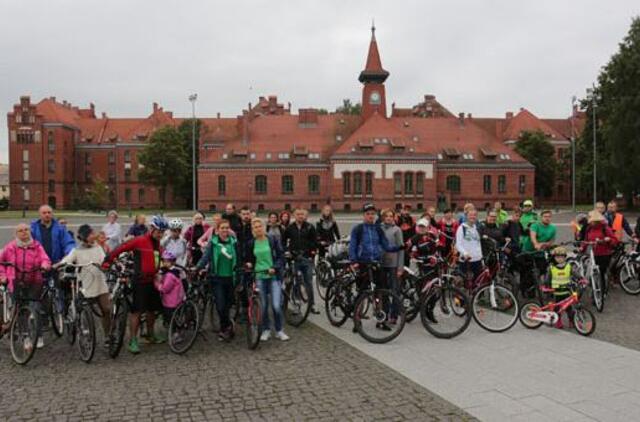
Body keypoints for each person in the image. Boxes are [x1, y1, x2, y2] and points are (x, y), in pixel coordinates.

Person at [103, 215, 168, 354]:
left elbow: (164, 257)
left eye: (163, 232)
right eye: (158, 231)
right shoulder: (140, 241)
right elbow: (122, 248)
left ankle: (150, 335)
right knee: (137, 312)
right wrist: (108, 260)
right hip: (140, 281)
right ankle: (133, 340)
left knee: (152, 311)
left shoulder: (158, 244)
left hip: (153, 281)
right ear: (152, 229)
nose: (160, 234)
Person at [348, 203, 402, 331]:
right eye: (368, 214)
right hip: (362, 263)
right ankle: (357, 320)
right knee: (362, 292)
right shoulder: (358, 229)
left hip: (376, 263)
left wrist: (399, 247)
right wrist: (354, 261)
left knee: (380, 292)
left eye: (373, 214)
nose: (370, 216)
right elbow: (353, 246)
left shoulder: (378, 229)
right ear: (364, 215)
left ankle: (381, 320)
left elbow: (386, 246)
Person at [0, 224, 51, 350]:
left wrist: (44, 265)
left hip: (34, 281)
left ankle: (38, 335)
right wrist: (3, 276)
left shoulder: (37, 246)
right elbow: (1, 263)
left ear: (30, 232)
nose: (24, 232)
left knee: (35, 309)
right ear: (16, 234)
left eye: (26, 230)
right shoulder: (10, 247)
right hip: (16, 281)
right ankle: (26, 337)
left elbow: (45, 259)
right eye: (20, 231)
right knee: (21, 311)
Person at [58, 224, 111, 344]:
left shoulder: (98, 247)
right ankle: (82, 328)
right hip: (86, 284)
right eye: (91, 234)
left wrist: (106, 264)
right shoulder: (77, 251)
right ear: (85, 236)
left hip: (100, 282)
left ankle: (107, 335)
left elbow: (104, 260)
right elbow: (68, 260)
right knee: (83, 308)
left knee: (106, 309)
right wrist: (59, 265)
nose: (94, 235)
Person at [242, 218, 289, 342]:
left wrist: (275, 267)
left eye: (259, 226)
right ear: (253, 230)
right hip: (259, 276)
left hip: (273, 276)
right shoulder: (251, 243)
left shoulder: (272, 240)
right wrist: (249, 264)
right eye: (255, 227)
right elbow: (248, 259)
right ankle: (266, 329)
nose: (258, 229)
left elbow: (281, 256)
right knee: (263, 307)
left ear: (264, 228)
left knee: (276, 306)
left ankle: (279, 330)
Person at [197, 219, 238, 341]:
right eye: (222, 228)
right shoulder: (213, 243)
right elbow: (206, 257)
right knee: (220, 305)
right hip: (217, 278)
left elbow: (239, 257)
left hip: (231, 278)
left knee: (228, 305)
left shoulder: (234, 242)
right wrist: (197, 267)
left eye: (227, 228)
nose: (225, 230)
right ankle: (225, 328)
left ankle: (226, 327)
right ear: (217, 229)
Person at [283, 208, 319, 314]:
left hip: (306, 258)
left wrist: (311, 253)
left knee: (308, 282)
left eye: (302, 214)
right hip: (294, 259)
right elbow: (283, 241)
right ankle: (297, 304)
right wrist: (287, 251)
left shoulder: (310, 227)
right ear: (294, 215)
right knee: (296, 282)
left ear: (305, 215)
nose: (300, 216)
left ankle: (312, 304)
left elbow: (314, 241)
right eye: (298, 214)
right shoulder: (290, 228)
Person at [582, 210, 618, 297]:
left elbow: (614, 240)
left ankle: (603, 292)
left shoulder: (605, 228)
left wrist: (607, 240)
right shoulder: (589, 228)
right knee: (593, 273)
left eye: (592, 221)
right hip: (593, 254)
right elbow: (586, 240)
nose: (590, 222)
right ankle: (595, 289)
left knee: (602, 273)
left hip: (604, 254)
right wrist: (582, 248)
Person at [544, 246, 579, 329]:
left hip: (567, 292)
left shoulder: (568, 266)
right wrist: (546, 287)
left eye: (562, 257)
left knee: (569, 309)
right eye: (557, 257)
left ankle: (572, 321)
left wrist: (581, 278)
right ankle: (558, 321)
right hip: (556, 292)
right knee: (557, 309)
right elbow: (547, 279)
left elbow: (575, 273)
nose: (560, 259)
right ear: (554, 258)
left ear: (565, 257)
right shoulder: (551, 268)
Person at [380, 209, 404, 324]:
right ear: (383, 218)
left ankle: (394, 314)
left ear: (394, 218)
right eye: (386, 216)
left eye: (391, 216)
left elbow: (401, 249)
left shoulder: (397, 230)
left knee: (395, 290)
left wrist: (400, 267)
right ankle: (384, 313)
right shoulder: (379, 228)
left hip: (394, 264)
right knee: (383, 290)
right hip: (382, 264)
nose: (389, 218)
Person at [154, 251, 185, 333]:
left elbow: (165, 289)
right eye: (164, 261)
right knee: (174, 317)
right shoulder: (175, 272)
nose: (165, 263)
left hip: (170, 301)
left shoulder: (170, 275)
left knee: (171, 318)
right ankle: (175, 330)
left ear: (173, 262)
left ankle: (175, 333)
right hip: (177, 299)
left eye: (167, 261)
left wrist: (156, 284)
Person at [455, 209, 483, 283]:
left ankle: (476, 294)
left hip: (477, 259)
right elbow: (458, 244)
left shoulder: (476, 228)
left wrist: (480, 256)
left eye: (474, 215)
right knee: (463, 283)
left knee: (477, 282)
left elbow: (477, 243)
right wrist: (465, 253)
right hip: (466, 260)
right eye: (470, 215)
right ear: (466, 216)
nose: (473, 217)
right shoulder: (461, 228)